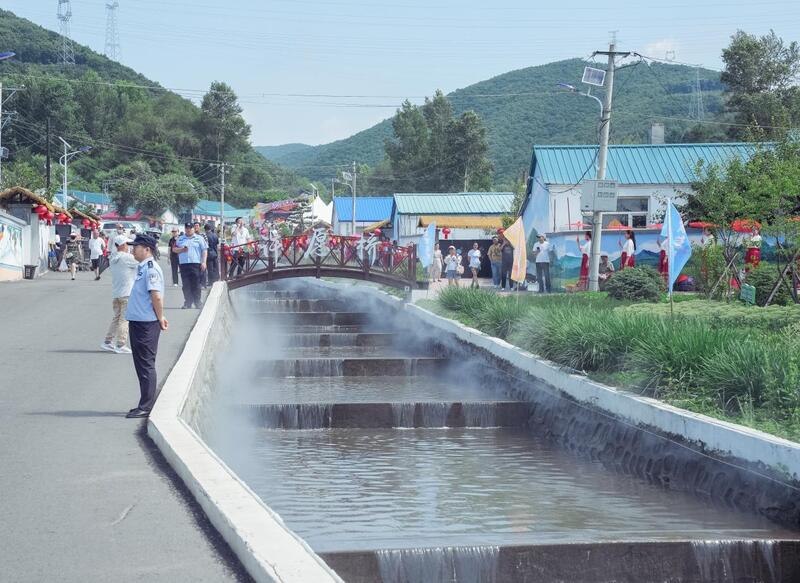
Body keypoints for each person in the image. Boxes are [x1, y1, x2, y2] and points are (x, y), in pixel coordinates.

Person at [125, 234, 168, 419]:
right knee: (141, 365)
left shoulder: (151, 269)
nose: (133, 250)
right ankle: (144, 403)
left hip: (146, 324)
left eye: (136, 247)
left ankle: (146, 406)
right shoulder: (143, 267)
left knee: (146, 364)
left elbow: (156, 296)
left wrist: (160, 317)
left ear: (147, 249)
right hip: (139, 321)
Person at [101, 235, 139, 354]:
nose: (129, 247)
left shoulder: (113, 257)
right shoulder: (127, 257)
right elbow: (141, 263)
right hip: (127, 293)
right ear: (122, 245)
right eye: (127, 244)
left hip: (116, 293)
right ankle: (120, 344)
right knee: (124, 319)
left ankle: (108, 341)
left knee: (117, 318)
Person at [175, 222, 208, 309]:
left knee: (196, 284)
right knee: (186, 285)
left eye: (190, 228)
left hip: (195, 264)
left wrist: (204, 262)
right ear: (185, 229)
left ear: (194, 229)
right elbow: (174, 249)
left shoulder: (199, 238)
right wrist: (181, 249)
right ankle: (187, 302)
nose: (188, 230)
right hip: (184, 264)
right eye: (187, 228)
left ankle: (197, 302)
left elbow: (204, 250)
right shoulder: (180, 239)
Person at [194, 221, 209, 288]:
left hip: (202, 255)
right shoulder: (192, 235)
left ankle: (203, 284)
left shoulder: (203, 235)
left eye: (197, 226)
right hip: (195, 255)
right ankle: (197, 284)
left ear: (199, 227)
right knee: (196, 270)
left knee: (203, 269)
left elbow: (206, 245)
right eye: (195, 226)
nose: (196, 227)